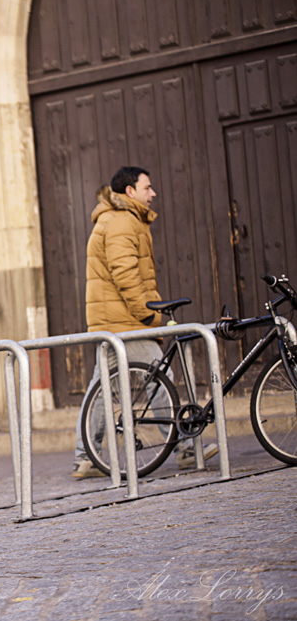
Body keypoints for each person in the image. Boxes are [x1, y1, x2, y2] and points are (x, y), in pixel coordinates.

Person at [73, 166, 218, 479]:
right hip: (125, 320)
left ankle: (85, 457)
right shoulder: (122, 221)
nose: (153, 193)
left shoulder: (119, 218)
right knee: (159, 376)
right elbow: (124, 273)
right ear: (130, 191)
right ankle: (185, 449)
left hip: (112, 319)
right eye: (147, 187)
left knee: (103, 385)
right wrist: (149, 315)